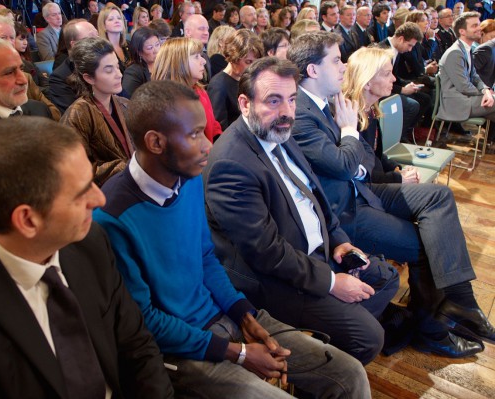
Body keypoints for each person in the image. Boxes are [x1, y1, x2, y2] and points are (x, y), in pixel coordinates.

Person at [93, 79, 372, 399]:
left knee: (349, 374)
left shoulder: (189, 177)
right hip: (180, 349)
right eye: (195, 134)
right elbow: (146, 322)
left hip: (222, 315)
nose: (208, 145)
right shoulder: (111, 217)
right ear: (155, 142)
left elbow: (206, 258)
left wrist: (243, 314)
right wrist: (236, 352)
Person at [0, 116, 174, 399]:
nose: (99, 200)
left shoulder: (90, 243)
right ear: (28, 220)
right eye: (82, 192)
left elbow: (137, 347)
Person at [289, 31, 490, 358]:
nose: (343, 67)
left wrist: (356, 148)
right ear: (313, 70)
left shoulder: (323, 104)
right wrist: (350, 130)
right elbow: (344, 166)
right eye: (336, 60)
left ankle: (459, 300)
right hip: (342, 213)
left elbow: (356, 164)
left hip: (356, 194)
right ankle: (432, 327)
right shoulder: (306, 112)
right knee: (426, 243)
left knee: (438, 200)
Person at [204, 53, 399, 365]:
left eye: (292, 99)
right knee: (369, 337)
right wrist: (334, 283)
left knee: (387, 278)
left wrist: (339, 240)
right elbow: (267, 253)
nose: (287, 112)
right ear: (244, 104)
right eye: (273, 100)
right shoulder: (231, 163)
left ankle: (331, 339)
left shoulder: (281, 131)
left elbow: (316, 196)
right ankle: (325, 368)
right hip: (274, 279)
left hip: (317, 253)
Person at [61, 37, 133, 186]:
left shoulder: (125, 104)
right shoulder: (78, 114)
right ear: (89, 78)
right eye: (109, 70)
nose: (119, 74)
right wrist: (127, 167)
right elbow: (74, 171)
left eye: (117, 67)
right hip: (104, 194)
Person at [343, 46, 420, 184]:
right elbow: (361, 173)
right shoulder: (350, 118)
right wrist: (398, 178)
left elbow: (374, 154)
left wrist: (396, 168)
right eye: (387, 74)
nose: (394, 78)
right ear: (367, 82)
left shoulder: (369, 110)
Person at [152, 37, 222, 142]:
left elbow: (214, 126)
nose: (203, 61)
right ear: (179, 63)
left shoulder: (200, 91)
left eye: (201, 56)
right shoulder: (167, 103)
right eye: (196, 57)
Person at [439, 12, 495, 125]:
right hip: (457, 103)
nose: (479, 28)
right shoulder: (454, 52)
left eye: (478, 25)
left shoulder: (466, 49)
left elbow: (475, 76)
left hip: (467, 99)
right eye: (474, 26)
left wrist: (486, 90)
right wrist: (486, 94)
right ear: (462, 31)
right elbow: (464, 86)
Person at [207, 29, 263, 130]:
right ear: (234, 58)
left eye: (255, 62)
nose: (253, 67)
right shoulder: (218, 85)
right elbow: (219, 129)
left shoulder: (248, 78)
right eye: (248, 62)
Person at [122, 27, 160, 98]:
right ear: (139, 52)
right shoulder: (133, 72)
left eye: (157, 45)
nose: (156, 51)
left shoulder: (164, 64)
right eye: (150, 48)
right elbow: (126, 100)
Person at [98, 5, 131, 73]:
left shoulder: (129, 44)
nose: (117, 21)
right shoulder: (101, 50)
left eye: (119, 18)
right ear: (103, 25)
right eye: (111, 19)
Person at [472, 19, 495, 88]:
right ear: (482, 33)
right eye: (492, 37)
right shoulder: (479, 49)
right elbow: (472, 74)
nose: (493, 40)